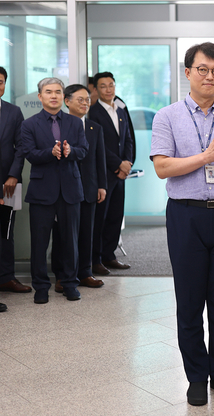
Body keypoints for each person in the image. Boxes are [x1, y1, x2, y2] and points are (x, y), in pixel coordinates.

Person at [151, 42, 214, 406]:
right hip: (185, 214)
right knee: (189, 301)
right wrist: (205, 156)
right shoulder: (168, 116)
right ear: (188, 72)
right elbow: (163, 167)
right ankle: (196, 376)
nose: (210, 76)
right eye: (203, 69)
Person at [20, 78, 88, 304]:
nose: (54, 96)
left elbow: (84, 151)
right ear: (40, 96)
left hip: (70, 189)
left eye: (58, 92)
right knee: (40, 243)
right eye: (48, 92)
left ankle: (70, 284)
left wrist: (71, 150)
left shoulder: (75, 123)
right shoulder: (29, 124)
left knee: (70, 241)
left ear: (63, 97)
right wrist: (51, 152)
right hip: (42, 191)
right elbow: (29, 154)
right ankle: (40, 287)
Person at [51, 84, 107, 292]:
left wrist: (102, 185)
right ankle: (62, 275)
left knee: (86, 232)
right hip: (64, 189)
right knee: (63, 234)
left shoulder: (94, 127)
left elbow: (99, 159)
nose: (85, 103)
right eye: (80, 100)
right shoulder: (58, 125)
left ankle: (85, 272)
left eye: (87, 100)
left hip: (89, 188)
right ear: (67, 101)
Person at [88, 71, 134, 275]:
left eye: (111, 85)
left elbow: (128, 139)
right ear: (96, 89)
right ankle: (95, 259)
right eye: (103, 86)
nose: (108, 89)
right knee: (101, 218)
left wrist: (128, 163)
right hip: (104, 173)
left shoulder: (121, 109)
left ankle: (109, 255)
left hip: (121, 174)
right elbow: (97, 145)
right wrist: (118, 165)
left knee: (116, 216)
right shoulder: (93, 112)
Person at [0, 66, 31, 294]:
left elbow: (21, 147)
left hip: (9, 184)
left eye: (0, 81)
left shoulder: (14, 111)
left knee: (7, 231)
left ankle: (7, 277)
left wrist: (13, 175)